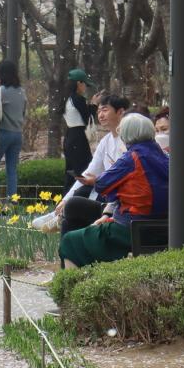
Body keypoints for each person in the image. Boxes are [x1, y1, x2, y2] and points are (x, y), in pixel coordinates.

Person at [59, 113, 169, 267]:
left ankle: (68, 286)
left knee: (70, 241)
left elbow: (102, 184)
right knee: (74, 207)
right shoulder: (166, 156)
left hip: (132, 229)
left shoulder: (131, 158)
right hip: (165, 226)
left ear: (127, 135)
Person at [55, 94, 131, 234]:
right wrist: (65, 199)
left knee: (75, 204)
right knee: (71, 210)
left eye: (105, 110)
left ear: (120, 112)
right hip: (108, 198)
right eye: (98, 111)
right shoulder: (106, 141)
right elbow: (89, 173)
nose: (100, 115)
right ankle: (69, 252)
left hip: (121, 203)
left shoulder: (130, 141)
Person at [0, 60, 27, 199]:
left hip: (2, 133)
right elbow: (23, 113)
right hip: (17, 134)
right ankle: (13, 201)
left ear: (1, 73)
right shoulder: (22, 92)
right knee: (12, 169)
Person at [63, 69, 95, 191]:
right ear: (78, 83)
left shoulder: (66, 98)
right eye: (85, 84)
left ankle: (66, 200)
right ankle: (81, 199)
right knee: (84, 171)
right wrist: (94, 105)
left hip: (69, 136)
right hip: (78, 137)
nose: (85, 87)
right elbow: (87, 118)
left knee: (70, 172)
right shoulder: (78, 99)